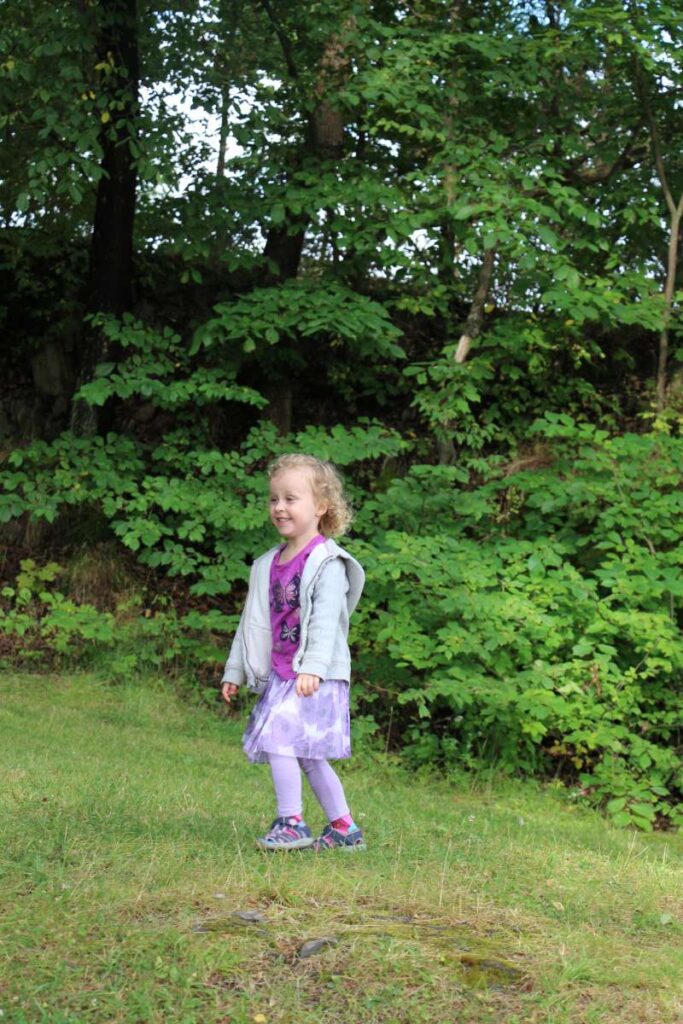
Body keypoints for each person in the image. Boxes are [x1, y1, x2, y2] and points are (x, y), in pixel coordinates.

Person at [221, 453, 366, 853]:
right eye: (274, 499)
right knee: (307, 755)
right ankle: (343, 828)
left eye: (291, 499)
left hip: (313, 675)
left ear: (321, 506)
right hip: (284, 674)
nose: (280, 507)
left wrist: (314, 668)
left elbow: (324, 622)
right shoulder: (267, 565)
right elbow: (251, 625)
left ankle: (292, 821)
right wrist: (235, 670)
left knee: (280, 739)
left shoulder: (327, 563)